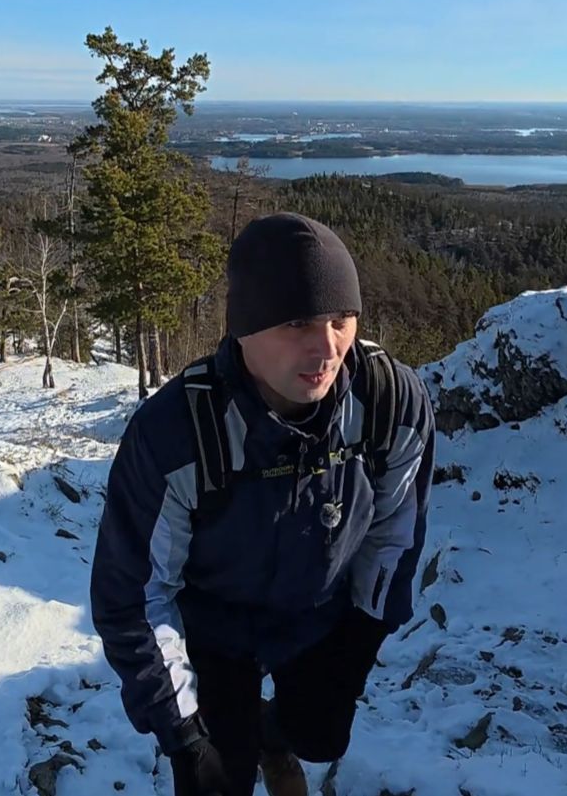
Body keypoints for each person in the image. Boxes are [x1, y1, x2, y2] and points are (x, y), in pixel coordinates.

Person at [90, 212, 436, 796]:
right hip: (213, 628)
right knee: (218, 780)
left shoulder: (387, 404)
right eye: (298, 321)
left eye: (341, 319)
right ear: (245, 327)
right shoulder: (177, 432)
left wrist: (361, 638)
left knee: (321, 738)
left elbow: (394, 535)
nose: (327, 347)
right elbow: (136, 595)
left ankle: (274, 736)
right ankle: (243, 741)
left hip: (319, 616)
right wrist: (185, 734)